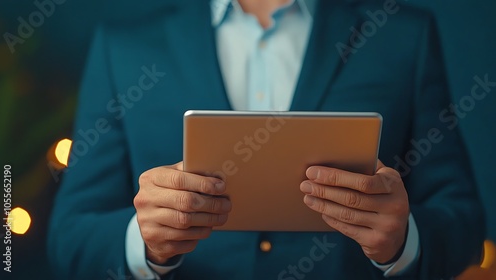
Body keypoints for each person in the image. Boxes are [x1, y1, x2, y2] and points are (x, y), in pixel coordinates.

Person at [47, 0, 485, 279]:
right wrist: (142, 242)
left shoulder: (402, 35)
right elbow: (70, 237)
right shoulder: (126, 47)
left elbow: (463, 219)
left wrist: (402, 241)